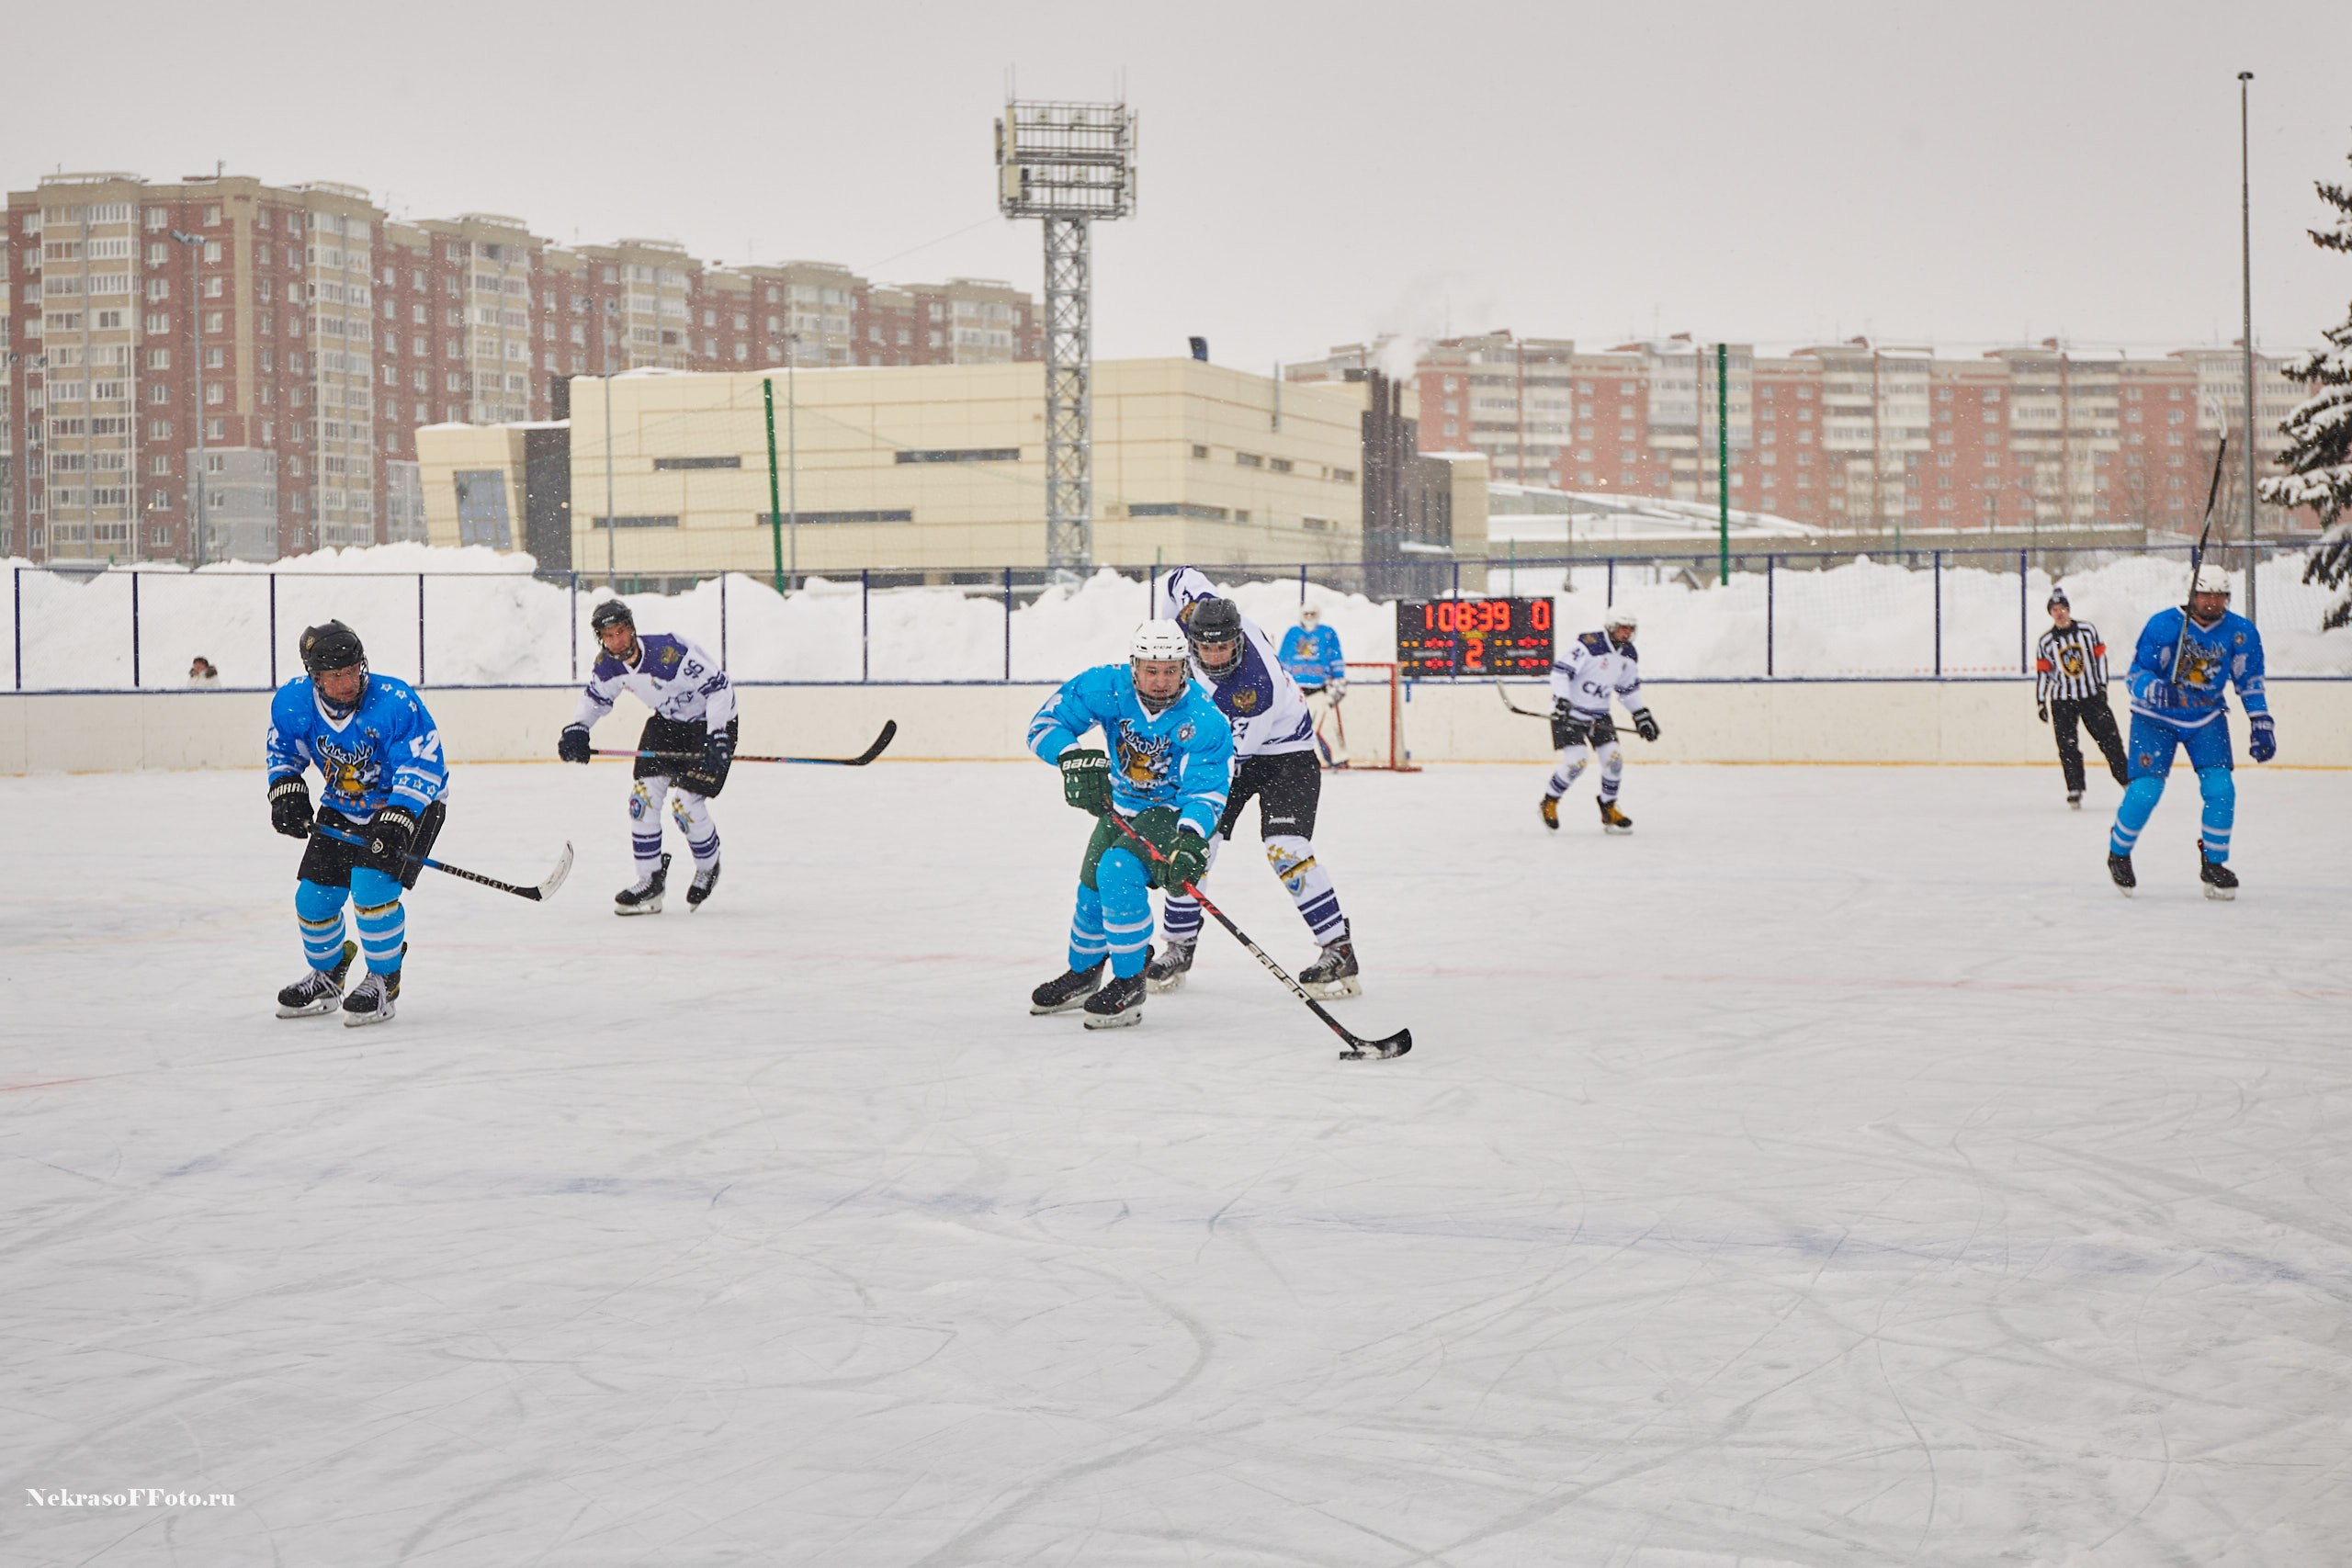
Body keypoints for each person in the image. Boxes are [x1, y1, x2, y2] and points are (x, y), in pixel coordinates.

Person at [1151, 570, 1363, 997]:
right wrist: (1163, 634)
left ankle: (1337, 947)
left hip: (1285, 755)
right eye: (1205, 649)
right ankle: (1179, 943)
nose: (1214, 657)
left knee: (1285, 848)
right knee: (1193, 841)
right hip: (1232, 747)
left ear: (1239, 641)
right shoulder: (1197, 616)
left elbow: (1226, 761)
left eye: (1225, 648)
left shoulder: (1252, 687)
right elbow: (1177, 577)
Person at [1025, 621, 1235, 1030]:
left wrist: (1190, 838)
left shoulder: (1204, 717)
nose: (1161, 681)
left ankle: (1129, 982)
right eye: (1151, 670)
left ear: (1185, 669)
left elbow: (1207, 788)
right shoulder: (1105, 687)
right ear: (1134, 666)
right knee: (1091, 886)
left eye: (1171, 670)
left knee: (1117, 870)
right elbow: (1043, 726)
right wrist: (1071, 757)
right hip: (1121, 807)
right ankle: (1084, 974)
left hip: (1172, 813)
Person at [265, 620, 448, 1026]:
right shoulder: (294, 703)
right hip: (343, 805)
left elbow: (423, 763)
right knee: (313, 900)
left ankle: (385, 980)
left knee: (371, 890)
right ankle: (328, 976)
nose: (348, 682)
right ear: (316, 678)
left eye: (353, 671)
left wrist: (398, 815)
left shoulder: (394, 700)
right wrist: (286, 787)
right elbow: (282, 749)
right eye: (335, 676)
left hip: (411, 805)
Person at [559, 599, 736, 915]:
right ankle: (650, 880)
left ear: (632, 628)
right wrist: (578, 729)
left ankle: (708, 866)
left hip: (710, 724)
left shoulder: (669, 653)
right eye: (609, 635)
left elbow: (720, 690)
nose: (617, 641)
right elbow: (595, 699)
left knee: (685, 805)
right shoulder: (608, 666)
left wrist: (718, 734)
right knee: (641, 799)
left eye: (622, 631)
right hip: (668, 724)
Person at [2108, 565, 2273, 899]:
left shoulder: (2240, 632)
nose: (2212, 602)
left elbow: (2249, 681)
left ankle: (2214, 862)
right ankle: (2119, 852)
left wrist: (2261, 722)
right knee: (2145, 791)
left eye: (2219, 596)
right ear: (2192, 594)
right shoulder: (2164, 625)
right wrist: (2156, 690)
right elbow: (2135, 675)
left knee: (2221, 788)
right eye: (2205, 594)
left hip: (2205, 716)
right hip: (2155, 718)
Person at [1540, 609, 1659, 833]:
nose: (1627, 633)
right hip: (1568, 713)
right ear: (1611, 627)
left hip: (1599, 715)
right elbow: (1560, 672)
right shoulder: (1589, 644)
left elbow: (1627, 690)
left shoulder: (1629, 655)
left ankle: (1609, 809)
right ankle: (1549, 801)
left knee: (1614, 760)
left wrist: (1641, 715)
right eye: (1623, 628)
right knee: (1577, 761)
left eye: (1630, 629)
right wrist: (1563, 701)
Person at [2034, 587, 2128, 808]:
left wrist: (2102, 685)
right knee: (2067, 745)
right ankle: (2074, 788)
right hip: (2062, 700)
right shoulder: (2045, 642)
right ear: (2050, 613)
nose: (2059, 613)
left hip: (2091, 696)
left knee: (2110, 739)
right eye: (2055, 609)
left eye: (2062, 608)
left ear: (2068, 609)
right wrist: (2040, 700)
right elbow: (2043, 674)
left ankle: (2126, 781)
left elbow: (2100, 660)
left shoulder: (2087, 631)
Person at [1278, 605, 1348, 766]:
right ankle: (1302, 760)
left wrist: (1339, 680)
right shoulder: (1292, 633)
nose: (1309, 617)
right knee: (1296, 728)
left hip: (1319, 689)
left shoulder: (1327, 633)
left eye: (1313, 614)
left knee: (1326, 725)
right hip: (1297, 692)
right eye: (1306, 614)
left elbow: (1335, 657)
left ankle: (1336, 758)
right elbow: (1283, 659)